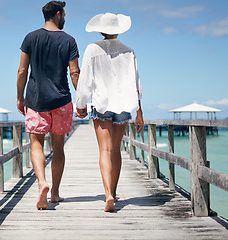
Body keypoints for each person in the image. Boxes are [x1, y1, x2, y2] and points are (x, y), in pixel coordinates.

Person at [75, 13, 144, 212]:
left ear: (100, 29)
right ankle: (113, 191)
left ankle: (109, 195)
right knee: (116, 151)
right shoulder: (129, 51)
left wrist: (80, 104)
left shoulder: (92, 49)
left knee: (104, 150)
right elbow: (136, 83)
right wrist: (139, 112)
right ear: (118, 30)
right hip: (123, 106)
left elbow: (85, 80)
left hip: (102, 104)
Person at [17, 1, 80, 210]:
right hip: (61, 100)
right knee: (58, 147)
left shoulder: (30, 38)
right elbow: (74, 73)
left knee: (36, 144)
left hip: (36, 100)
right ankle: (54, 193)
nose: (65, 19)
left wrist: (20, 97)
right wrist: (81, 100)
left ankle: (42, 183)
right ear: (59, 14)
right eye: (64, 15)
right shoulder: (69, 40)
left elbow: (22, 71)